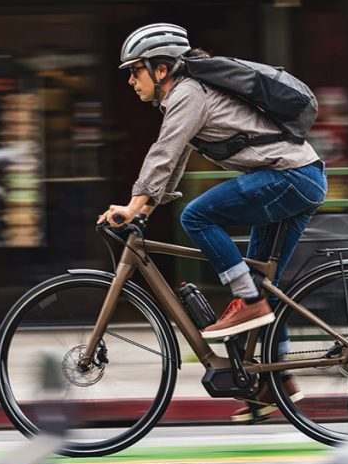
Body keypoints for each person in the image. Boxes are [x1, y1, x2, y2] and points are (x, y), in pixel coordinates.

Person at [96, 23, 327, 422]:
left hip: (288, 178)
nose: (131, 80)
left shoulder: (187, 93)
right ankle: (277, 381)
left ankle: (249, 304)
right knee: (260, 280)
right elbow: (177, 159)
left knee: (197, 216)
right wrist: (146, 210)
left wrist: (132, 205)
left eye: (135, 70)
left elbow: (164, 151)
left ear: (161, 69)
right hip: (300, 178)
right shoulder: (188, 96)